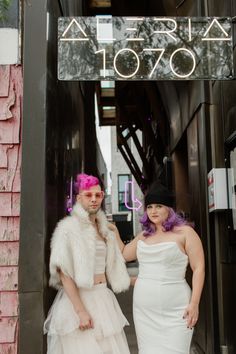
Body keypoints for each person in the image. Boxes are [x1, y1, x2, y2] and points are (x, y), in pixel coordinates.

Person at [111, 183, 205, 354]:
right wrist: (114, 231)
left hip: (177, 306)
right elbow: (124, 254)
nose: (153, 211)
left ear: (169, 209)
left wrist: (194, 303)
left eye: (159, 206)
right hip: (144, 309)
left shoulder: (185, 232)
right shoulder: (144, 235)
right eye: (149, 207)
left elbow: (199, 268)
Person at [44, 173, 131, 354]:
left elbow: (117, 260)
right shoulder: (68, 228)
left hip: (103, 298)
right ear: (78, 198)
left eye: (98, 195)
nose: (94, 200)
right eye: (88, 195)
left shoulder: (105, 229)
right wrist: (80, 311)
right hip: (79, 300)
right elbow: (64, 272)